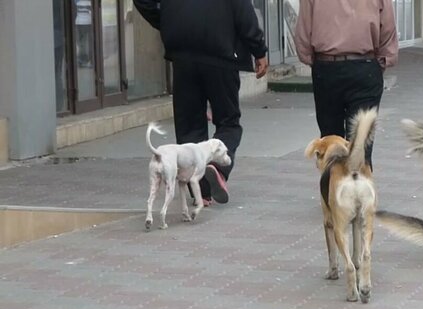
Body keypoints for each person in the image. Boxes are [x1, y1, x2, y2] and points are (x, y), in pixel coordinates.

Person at [133, 0, 269, 206]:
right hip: (221, 55)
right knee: (228, 122)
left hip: (183, 56)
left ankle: (202, 192)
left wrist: (169, 21)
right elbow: (244, 12)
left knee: (189, 125)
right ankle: (217, 166)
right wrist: (258, 50)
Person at [294, 0, 398, 169]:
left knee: (331, 144)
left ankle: (334, 190)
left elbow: (304, 28)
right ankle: (360, 189)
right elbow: (387, 26)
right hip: (365, 66)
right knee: (361, 142)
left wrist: (310, 58)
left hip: (327, 66)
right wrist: (382, 61)